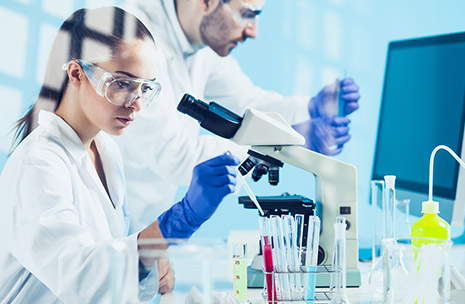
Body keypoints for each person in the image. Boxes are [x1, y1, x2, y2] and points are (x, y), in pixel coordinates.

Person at [0, 7, 239, 303]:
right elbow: (82, 278)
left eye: (145, 88)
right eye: (122, 84)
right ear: (76, 74)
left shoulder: (106, 150)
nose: (136, 104)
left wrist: (150, 263)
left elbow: (107, 264)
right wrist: (172, 225)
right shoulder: (38, 163)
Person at [114, 0, 361, 232]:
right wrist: (288, 144)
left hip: (147, 228)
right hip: (116, 229)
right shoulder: (134, 37)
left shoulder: (200, 45)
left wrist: (311, 107)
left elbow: (248, 102)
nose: (252, 31)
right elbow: (174, 153)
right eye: (246, 14)